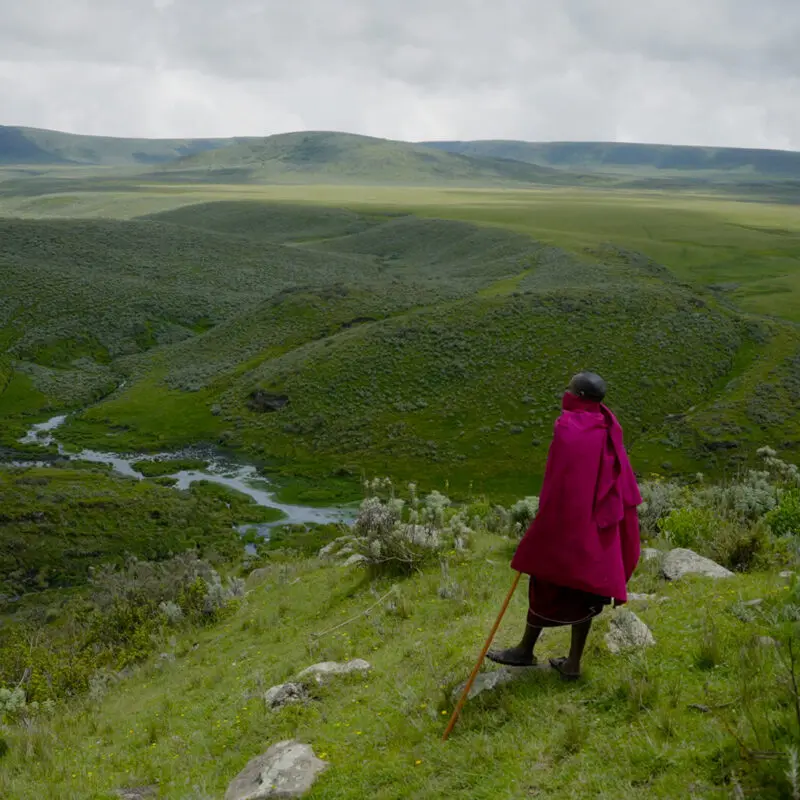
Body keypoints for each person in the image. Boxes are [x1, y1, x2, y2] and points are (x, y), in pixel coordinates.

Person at [487, 371, 642, 680]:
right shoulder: (610, 427)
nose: (565, 393)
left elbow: (559, 481)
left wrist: (545, 520)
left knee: (545, 581)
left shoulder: (568, 427)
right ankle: (572, 663)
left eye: (570, 389)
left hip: (568, 523)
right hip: (599, 527)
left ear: (580, 397)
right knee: (586, 589)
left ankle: (524, 650)